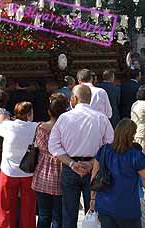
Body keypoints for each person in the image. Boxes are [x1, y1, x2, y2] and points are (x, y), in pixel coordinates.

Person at [48, 84, 114, 228]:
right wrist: (92, 163)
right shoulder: (101, 118)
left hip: (70, 166)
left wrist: (71, 163)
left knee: (69, 214)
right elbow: (109, 145)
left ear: (74, 99)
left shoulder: (64, 118)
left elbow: (53, 146)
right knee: (94, 212)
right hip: (94, 168)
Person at [89, 119, 145, 228]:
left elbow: (94, 178)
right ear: (132, 135)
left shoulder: (104, 150)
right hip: (128, 208)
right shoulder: (135, 155)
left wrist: (92, 199)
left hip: (105, 205)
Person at [0, 102, 39, 228]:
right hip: (28, 171)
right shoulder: (35, 127)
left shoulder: (8, 126)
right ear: (29, 114)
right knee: (29, 207)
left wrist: (3, 120)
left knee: (6, 206)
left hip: (9, 171)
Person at [32, 94, 69, 228]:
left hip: (42, 172)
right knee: (58, 216)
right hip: (61, 171)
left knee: (43, 214)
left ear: (49, 111)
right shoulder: (66, 129)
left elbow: (39, 147)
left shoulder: (41, 127)